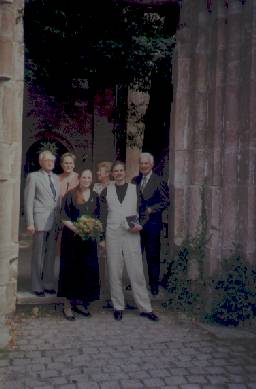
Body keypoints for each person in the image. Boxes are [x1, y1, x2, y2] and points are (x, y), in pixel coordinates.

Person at [100, 161, 159, 321]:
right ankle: (118, 306)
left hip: (131, 233)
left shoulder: (135, 189)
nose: (118, 173)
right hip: (113, 233)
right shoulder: (106, 191)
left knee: (136, 271)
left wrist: (142, 225)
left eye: (121, 171)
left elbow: (144, 210)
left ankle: (145, 308)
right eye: (115, 171)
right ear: (112, 174)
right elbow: (102, 216)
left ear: (125, 172)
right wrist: (101, 238)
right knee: (114, 270)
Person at [58, 169, 100, 320]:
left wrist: (93, 229)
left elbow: (99, 216)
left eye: (89, 177)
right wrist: (78, 228)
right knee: (71, 270)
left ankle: (81, 302)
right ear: (79, 178)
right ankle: (67, 305)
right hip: (72, 239)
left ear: (91, 179)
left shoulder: (95, 196)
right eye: (84, 177)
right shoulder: (70, 194)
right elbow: (64, 216)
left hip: (89, 240)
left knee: (86, 270)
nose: (86, 179)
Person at [132, 152, 169, 296]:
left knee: (152, 255)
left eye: (146, 163)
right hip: (136, 223)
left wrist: (152, 209)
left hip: (152, 225)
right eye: (141, 163)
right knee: (135, 255)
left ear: (152, 165)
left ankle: (153, 284)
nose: (143, 165)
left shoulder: (159, 181)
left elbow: (166, 201)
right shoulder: (135, 180)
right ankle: (135, 282)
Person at [24, 150, 61, 296]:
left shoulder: (57, 178)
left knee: (51, 254)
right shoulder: (33, 177)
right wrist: (30, 222)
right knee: (38, 254)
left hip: (54, 220)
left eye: (52, 160)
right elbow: (28, 201)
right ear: (41, 162)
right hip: (39, 220)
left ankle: (48, 283)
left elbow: (58, 200)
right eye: (47, 160)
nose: (50, 162)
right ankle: (36, 285)